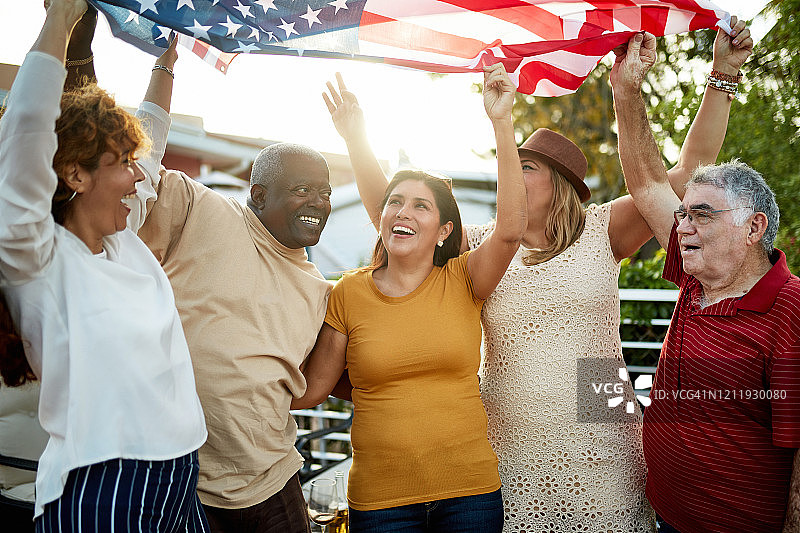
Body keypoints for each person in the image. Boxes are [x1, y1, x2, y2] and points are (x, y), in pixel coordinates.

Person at [321, 19, 752, 532]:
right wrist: (356, 138)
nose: (513, 172)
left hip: (603, 419)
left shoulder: (603, 228)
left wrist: (722, 75)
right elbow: (395, 219)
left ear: (560, 185)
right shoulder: (481, 245)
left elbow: (686, 174)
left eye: (526, 167)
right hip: (510, 423)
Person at [0, 0, 209, 531]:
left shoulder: (124, 240)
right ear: (75, 173)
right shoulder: (35, 256)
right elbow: (26, 129)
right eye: (122, 164)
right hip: (101, 482)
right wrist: (58, 22)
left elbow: (154, 144)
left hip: (180, 470)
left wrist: (165, 61)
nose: (139, 179)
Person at [292, 63, 526, 533]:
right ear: (382, 218)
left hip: (470, 495)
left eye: (422, 205)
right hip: (381, 504)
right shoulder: (349, 292)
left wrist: (502, 122)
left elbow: (512, 229)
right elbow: (313, 389)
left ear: (443, 231)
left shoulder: (464, 279)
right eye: (395, 202)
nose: (403, 211)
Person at [130, 30, 332, 533]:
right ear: (258, 195)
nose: (317, 203)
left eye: (324, 193)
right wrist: (163, 71)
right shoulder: (199, 208)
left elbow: (308, 386)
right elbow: (139, 169)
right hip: (180, 478)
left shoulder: (321, 288)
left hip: (270, 481)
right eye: (302, 190)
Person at [612, 28, 800, 533]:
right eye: (683, 214)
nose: (682, 225)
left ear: (752, 228)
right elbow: (649, 181)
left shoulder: (790, 309)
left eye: (701, 215)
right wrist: (625, 88)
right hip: (665, 518)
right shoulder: (698, 277)